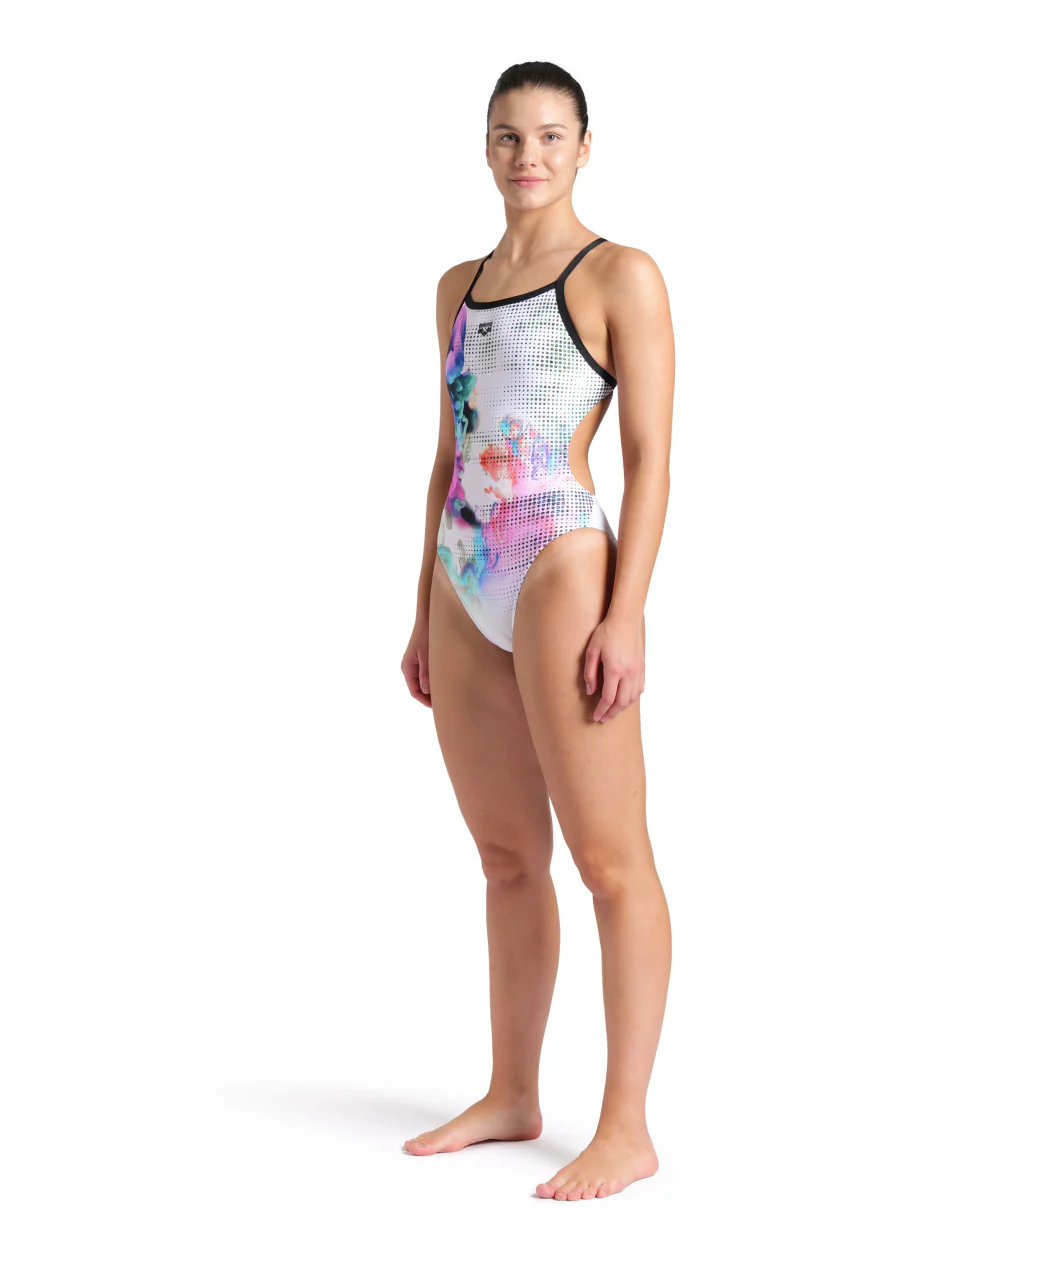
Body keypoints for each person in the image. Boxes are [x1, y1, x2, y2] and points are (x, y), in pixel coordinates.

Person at [400, 60, 675, 1202]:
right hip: (465, 565)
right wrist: (422, 606)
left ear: (584, 147)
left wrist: (627, 609)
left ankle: (626, 1127)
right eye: (509, 135)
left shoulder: (620, 274)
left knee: (609, 860)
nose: (529, 156)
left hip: (561, 554)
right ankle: (513, 1092)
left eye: (551, 136)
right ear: (485, 147)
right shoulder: (455, 289)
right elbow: (449, 452)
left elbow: (649, 456)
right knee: (507, 857)